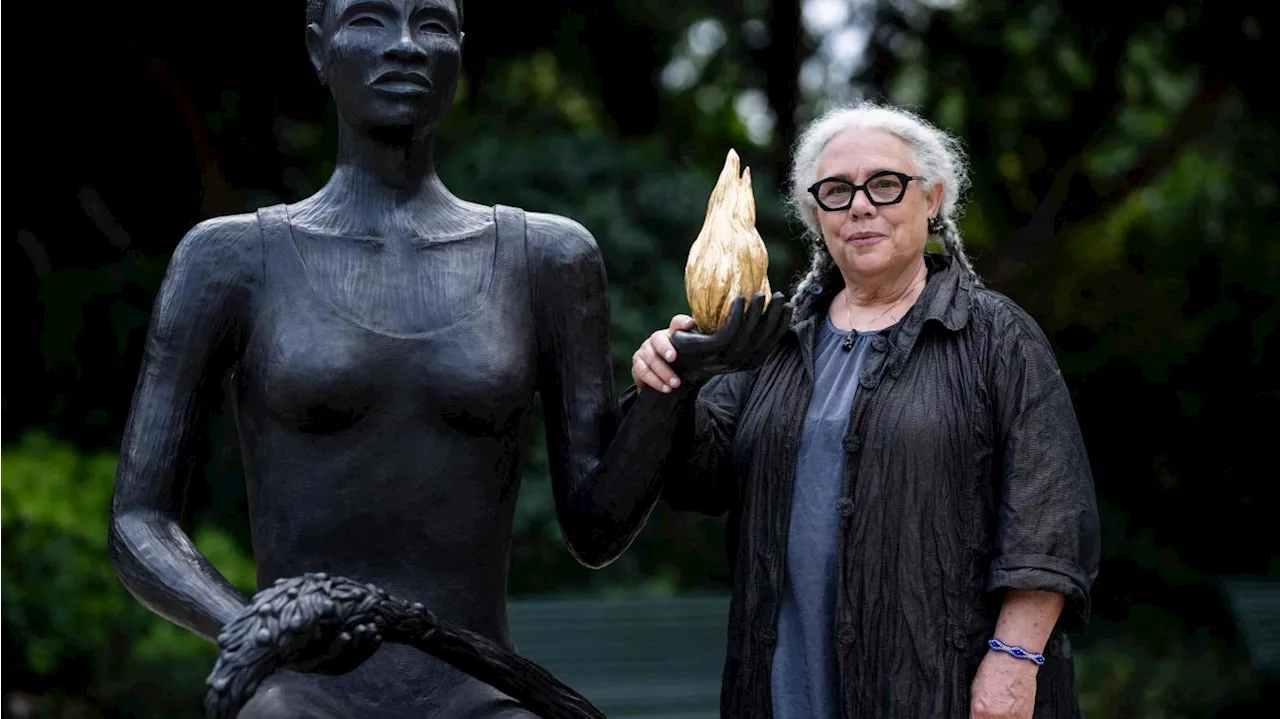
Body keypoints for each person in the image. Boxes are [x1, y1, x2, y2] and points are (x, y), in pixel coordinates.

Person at [107, 0, 789, 716]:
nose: (404, 45)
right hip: (301, 691)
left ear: (459, 49)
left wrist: (674, 381)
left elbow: (595, 526)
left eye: (430, 23)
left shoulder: (548, 259)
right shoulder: (232, 259)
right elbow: (138, 518)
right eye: (369, 19)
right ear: (318, 46)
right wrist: (251, 626)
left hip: (475, 687)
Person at [631, 101, 1101, 719]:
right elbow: (698, 477)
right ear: (815, 215)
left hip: (939, 684)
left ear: (931, 200)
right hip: (782, 680)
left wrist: (1015, 659)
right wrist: (675, 382)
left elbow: (1049, 513)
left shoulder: (996, 338)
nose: (860, 205)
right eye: (836, 191)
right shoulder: (774, 340)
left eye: (885, 184)